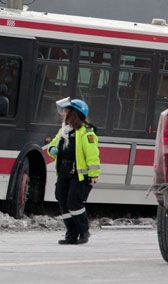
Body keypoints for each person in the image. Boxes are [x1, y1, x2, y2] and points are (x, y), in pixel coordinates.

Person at [47, 97, 100, 245]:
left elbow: (92, 155)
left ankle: (83, 232)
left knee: (74, 203)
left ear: (74, 114)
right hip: (64, 172)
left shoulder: (86, 133)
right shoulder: (63, 131)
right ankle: (71, 234)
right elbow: (52, 145)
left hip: (78, 174)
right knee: (62, 201)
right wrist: (52, 149)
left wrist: (94, 174)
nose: (63, 114)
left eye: (66, 111)